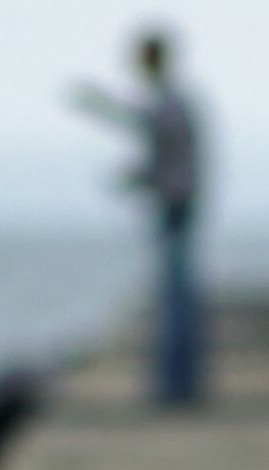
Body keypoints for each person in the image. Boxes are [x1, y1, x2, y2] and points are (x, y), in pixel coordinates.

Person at [71, 27, 206, 407]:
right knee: (174, 298)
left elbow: (148, 129)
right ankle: (176, 386)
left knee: (174, 300)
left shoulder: (172, 104)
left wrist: (98, 105)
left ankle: (176, 388)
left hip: (175, 210)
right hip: (176, 207)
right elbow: (160, 145)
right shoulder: (173, 103)